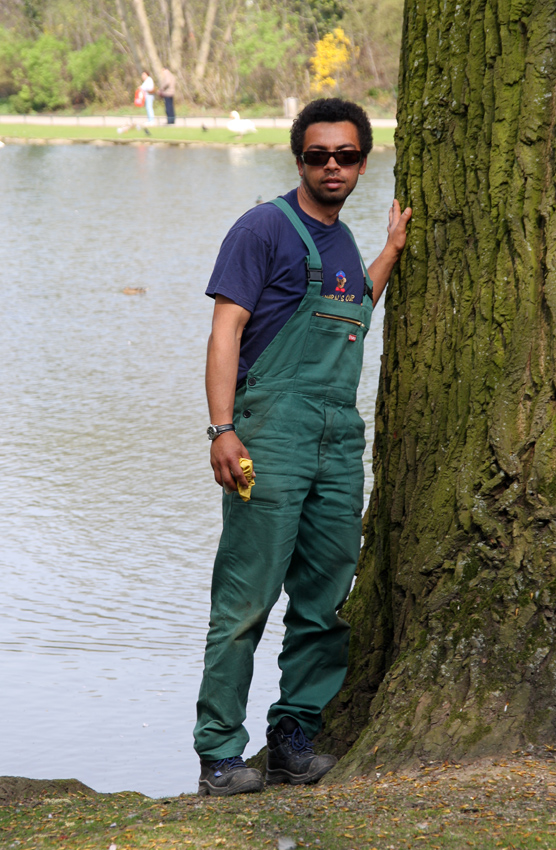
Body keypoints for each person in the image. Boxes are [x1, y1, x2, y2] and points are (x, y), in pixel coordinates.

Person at [194, 97, 412, 798]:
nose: (332, 167)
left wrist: (388, 254)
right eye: (318, 155)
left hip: (337, 441)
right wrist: (222, 429)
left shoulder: (346, 244)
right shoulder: (263, 228)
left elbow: (354, 309)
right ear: (299, 159)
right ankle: (221, 752)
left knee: (325, 601)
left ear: (362, 161)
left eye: (345, 155)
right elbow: (226, 331)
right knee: (245, 602)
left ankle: (293, 739)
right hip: (271, 435)